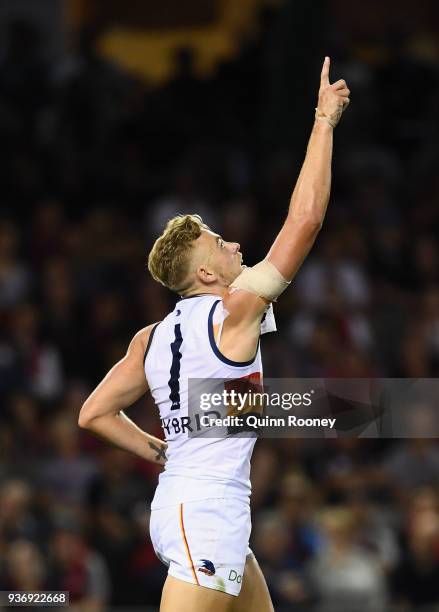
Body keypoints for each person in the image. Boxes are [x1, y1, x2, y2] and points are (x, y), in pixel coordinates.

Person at [78, 57, 350, 612]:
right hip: (205, 514)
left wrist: (164, 451)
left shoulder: (149, 339)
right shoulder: (236, 310)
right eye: (219, 243)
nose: (232, 246)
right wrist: (323, 122)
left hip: (198, 505)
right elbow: (305, 221)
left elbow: (94, 414)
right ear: (206, 276)